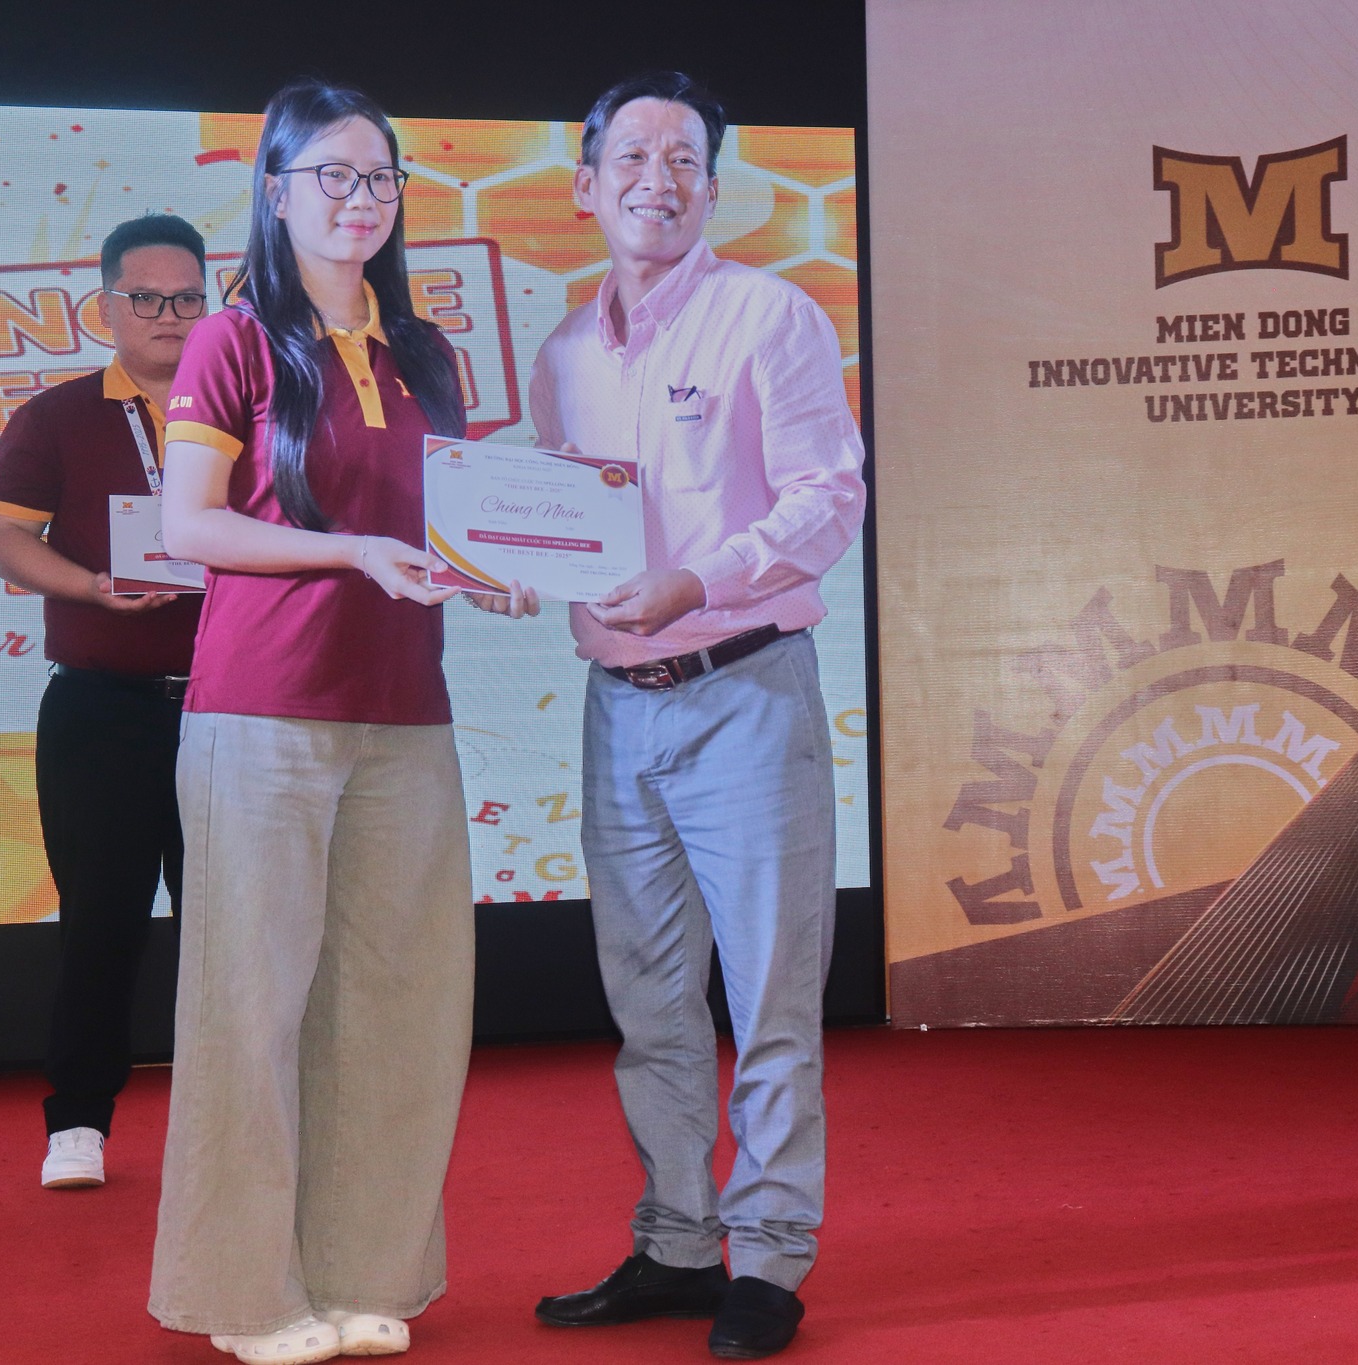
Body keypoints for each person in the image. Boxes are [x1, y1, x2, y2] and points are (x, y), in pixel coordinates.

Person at [487, 72, 867, 1360]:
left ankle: (766, 1258)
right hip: (617, 710)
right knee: (648, 1003)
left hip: (743, 691)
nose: (657, 179)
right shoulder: (560, 352)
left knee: (769, 998)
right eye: (632, 158)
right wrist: (496, 566)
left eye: (683, 160)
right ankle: (676, 1242)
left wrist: (697, 583)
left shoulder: (769, 314)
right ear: (582, 186)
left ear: (711, 186)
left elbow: (829, 496)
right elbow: (560, 523)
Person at [146, 81, 473, 1365]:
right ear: (275, 191)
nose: (360, 199)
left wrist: (494, 565)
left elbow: (452, 516)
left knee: (393, 1001)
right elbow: (191, 526)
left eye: (379, 176)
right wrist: (350, 552)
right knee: (252, 1006)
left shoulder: (426, 352)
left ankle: (358, 1272)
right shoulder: (232, 341)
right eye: (332, 174)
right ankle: (245, 1295)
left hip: (406, 709)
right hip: (262, 707)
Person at [0, 214, 209, 1190]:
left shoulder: (247, 409)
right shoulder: (59, 415)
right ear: (106, 305)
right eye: (145, 297)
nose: (168, 314)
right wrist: (89, 588)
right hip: (100, 710)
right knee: (100, 920)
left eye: (187, 297)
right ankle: (78, 1119)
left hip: (230, 708)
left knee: (231, 926)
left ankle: (229, 1117)